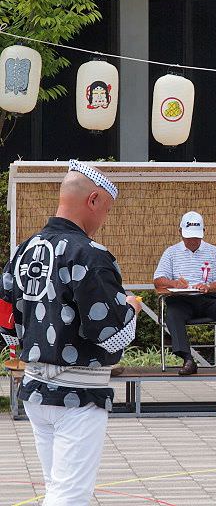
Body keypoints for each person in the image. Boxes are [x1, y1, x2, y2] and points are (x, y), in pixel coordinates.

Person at [0, 160, 141, 505]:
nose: (103, 219)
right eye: (106, 209)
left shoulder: (23, 251)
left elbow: (6, 320)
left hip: (35, 389)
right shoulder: (89, 255)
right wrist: (132, 309)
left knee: (58, 488)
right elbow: (111, 333)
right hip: (77, 392)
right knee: (71, 495)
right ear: (93, 200)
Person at [153, 211, 216, 376]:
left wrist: (208, 286)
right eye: (189, 237)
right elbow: (158, 280)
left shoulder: (213, 251)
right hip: (182, 300)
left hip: (208, 299)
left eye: (196, 237)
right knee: (173, 313)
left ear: (203, 232)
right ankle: (187, 359)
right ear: (180, 232)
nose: (193, 241)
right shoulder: (171, 252)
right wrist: (174, 283)